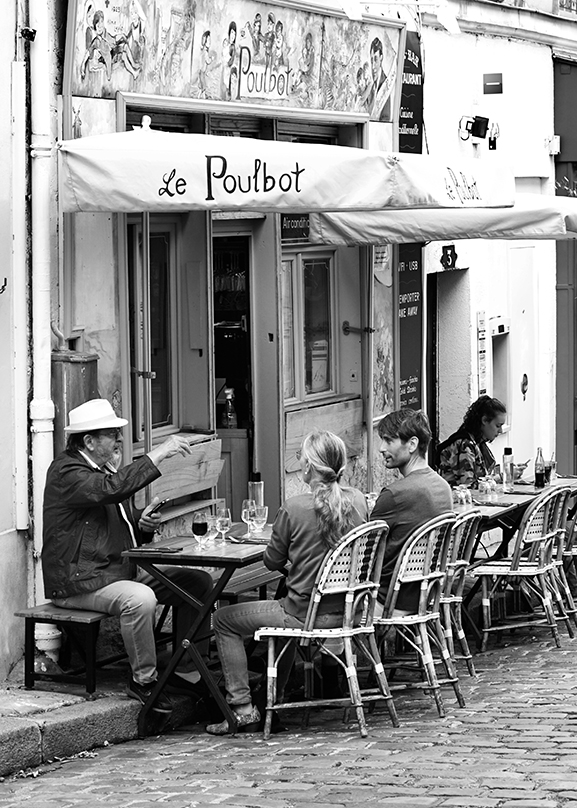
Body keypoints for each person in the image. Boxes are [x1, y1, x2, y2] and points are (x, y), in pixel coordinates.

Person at [42, 398, 214, 713]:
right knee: (140, 599)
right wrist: (161, 451)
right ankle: (144, 682)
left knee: (199, 582)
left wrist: (143, 525)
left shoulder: (100, 471)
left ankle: (188, 671)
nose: (120, 440)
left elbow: (113, 525)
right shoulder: (67, 471)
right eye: (111, 434)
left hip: (117, 569)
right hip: (81, 581)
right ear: (90, 441)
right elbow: (111, 488)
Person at [206, 429, 369, 735]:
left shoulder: (294, 508)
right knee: (281, 624)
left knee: (223, 619)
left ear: (308, 467)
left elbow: (272, 562)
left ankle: (241, 707)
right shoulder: (358, 501)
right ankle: (273, 700)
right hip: (349, 611)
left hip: (302, 613)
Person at [370, 409, 453, 612]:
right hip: (427, 595)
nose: (381, 448)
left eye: (389, 441)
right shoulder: (443, 487)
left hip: (387, 600)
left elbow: (366, 551)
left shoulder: (394, 494)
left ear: (412, 444)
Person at [436, 395, 507, 488]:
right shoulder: (464, 445)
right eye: (498, 426)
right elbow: (469, 486)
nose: (500, 431)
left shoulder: (478, 442)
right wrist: (501, 477)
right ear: (484, 420)